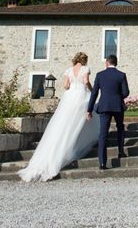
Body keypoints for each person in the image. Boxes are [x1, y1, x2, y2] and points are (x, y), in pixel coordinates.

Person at [18, 52, 99, 182]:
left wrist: (72, 85)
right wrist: (92, 89)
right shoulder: (85, 69)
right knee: (82, 119)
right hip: (81, 95)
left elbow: (66, 86)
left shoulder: (68, 70)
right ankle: (77, 142)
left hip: (70, 96)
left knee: (65, 122)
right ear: (84, 60)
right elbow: (86, 81)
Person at [86, 54, 130, 170]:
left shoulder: (100, 75)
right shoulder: (121, 75)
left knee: (103, 134)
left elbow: (94, 93)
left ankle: (102, 163)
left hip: (104, 106)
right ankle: (120, 151)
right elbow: (126, 92)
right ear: (116, 63)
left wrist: (89, 110)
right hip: (117, 106)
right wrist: (117, 96)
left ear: (107, 63)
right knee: (120, 127)